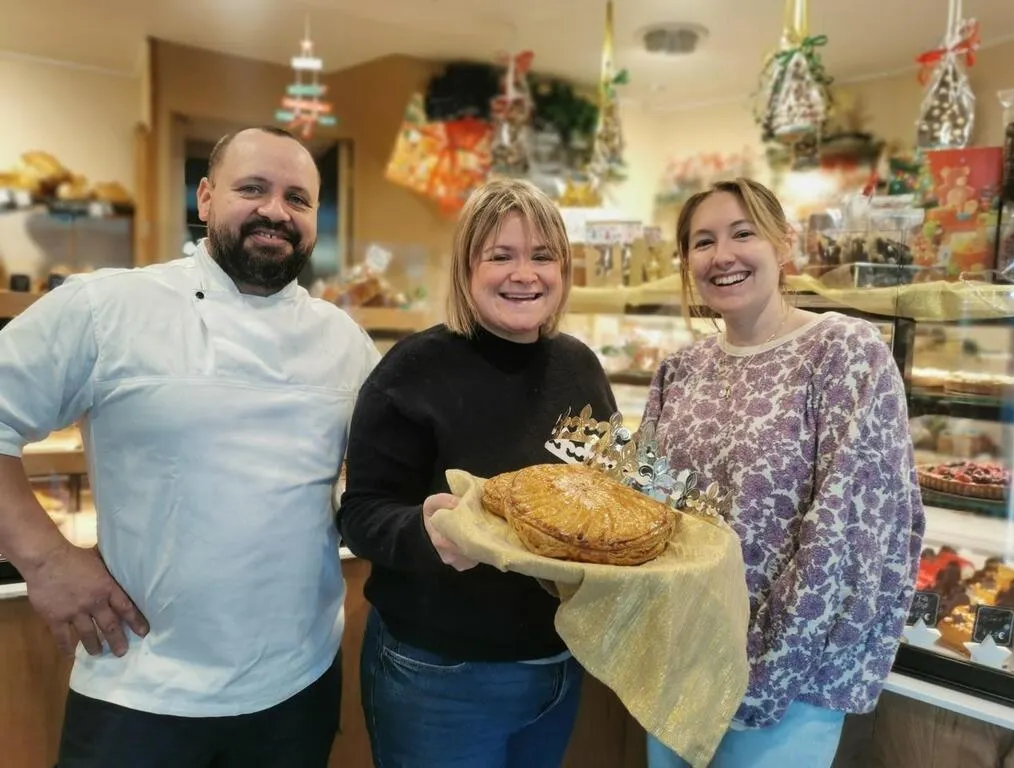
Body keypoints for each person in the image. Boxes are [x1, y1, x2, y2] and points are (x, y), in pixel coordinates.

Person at [0, 126, 379, 768]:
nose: (275, 211)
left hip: (297, 686)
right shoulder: (109, 305)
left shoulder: (343, 341)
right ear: (204, 198)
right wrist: (44, 560)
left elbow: (393, 470)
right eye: (252, 188)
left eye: (298, 199)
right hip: (138, 689)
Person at [643, 178, 925, 768]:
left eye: (742, 233)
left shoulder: (845, 352)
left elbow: (854, 531)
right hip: (675, 655)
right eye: (702, 242)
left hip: (786, 675)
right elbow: (648, 505)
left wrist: (770, 662)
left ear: (782, 245)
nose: (722, 256)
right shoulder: (680, 369)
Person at [337, 177, 616, 767]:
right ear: (466, 269)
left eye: (543, 256)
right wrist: (425, 531)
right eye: (501, 256)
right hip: (440, 675)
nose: (525, 274)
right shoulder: (413, 369)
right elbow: (360, 514)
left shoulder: (579, 367)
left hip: (558, 663)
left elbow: (603, 486)